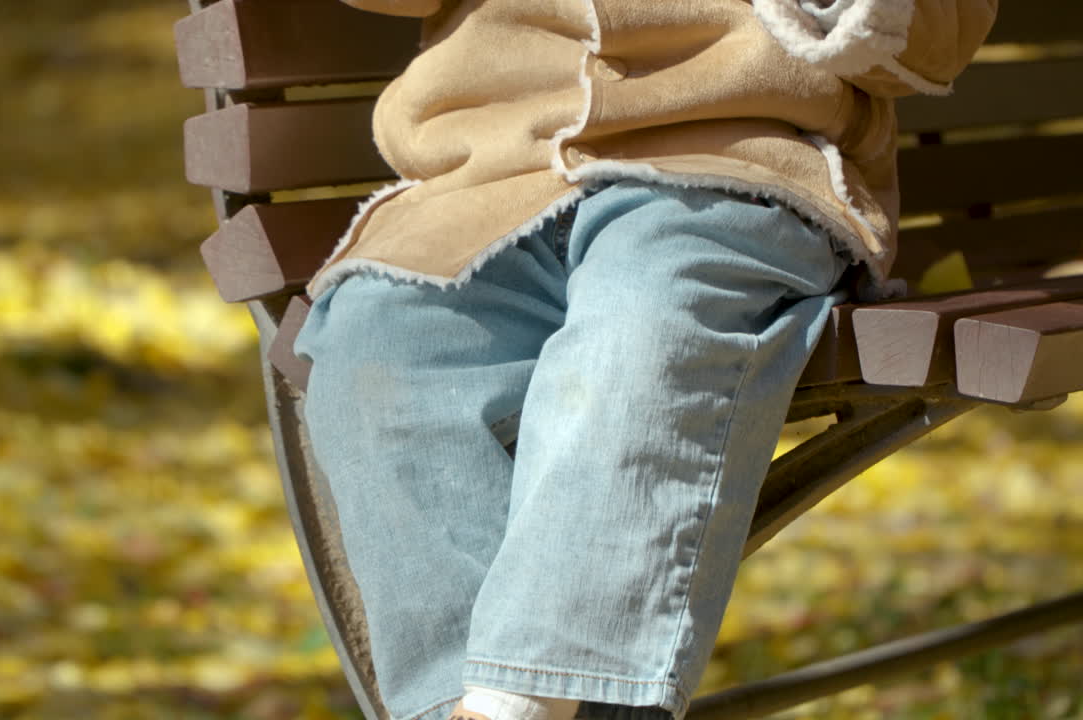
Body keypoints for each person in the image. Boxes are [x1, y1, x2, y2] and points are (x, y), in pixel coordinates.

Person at [292, 2, 997, 719]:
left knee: (644, 316)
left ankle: (520, 699)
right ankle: (460, 703)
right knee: (372, 348)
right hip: (491, 177)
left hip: (729, 164)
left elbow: (937, 35)